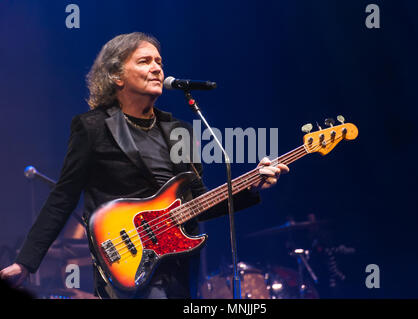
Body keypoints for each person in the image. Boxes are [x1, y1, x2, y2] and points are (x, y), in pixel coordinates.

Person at [0, 32, 289, 299]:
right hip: (127, 263)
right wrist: (26, 262)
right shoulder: (93, 128)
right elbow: (62, 198)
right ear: (116, 76)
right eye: (145, 61)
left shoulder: (180, 131)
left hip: (178, 267)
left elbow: (200, 202)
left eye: (159, 62)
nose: (157, 68)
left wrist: (250, 186)